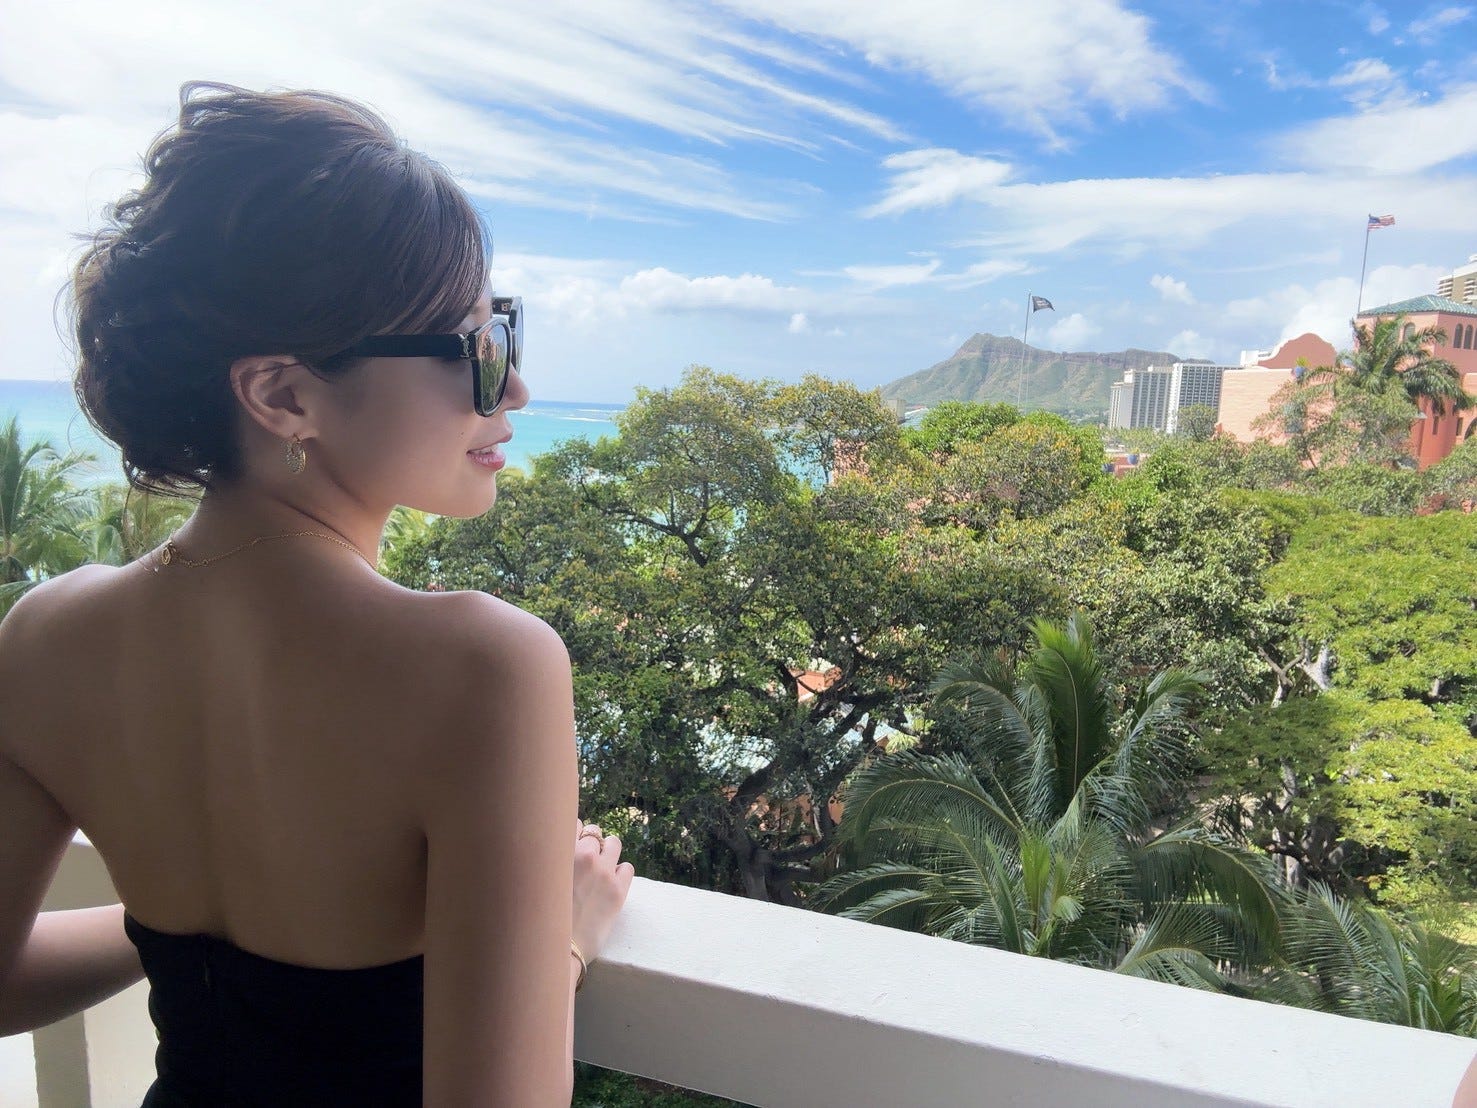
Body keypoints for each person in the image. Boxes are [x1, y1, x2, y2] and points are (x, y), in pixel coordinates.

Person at [0, 81, 633, 1105]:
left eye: (503, 332)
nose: (514, 387)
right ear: (283, 394)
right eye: (474, 348)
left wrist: (168, 932)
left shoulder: (46, 634)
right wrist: (558, 936)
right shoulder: (482, 664)